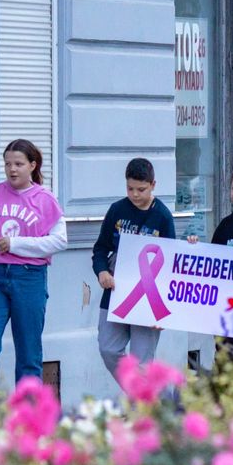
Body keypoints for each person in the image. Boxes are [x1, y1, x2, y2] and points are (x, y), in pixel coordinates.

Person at [0, 139, 66, 389]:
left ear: (32, 165)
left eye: (18, 164)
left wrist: (17, 244)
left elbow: (60, 241)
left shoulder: (44, 199)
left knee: (29, 354)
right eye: (7, 164)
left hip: (29, 278)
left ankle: (27, 418)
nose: (12, 169)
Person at [92, 157, 177, 381]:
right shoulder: (117, 210)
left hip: (149, 297)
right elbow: (100, 248)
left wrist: (164, 311)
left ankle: (146, 408)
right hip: (116, 290)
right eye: (130, 189)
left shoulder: (163, 216)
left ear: (153, 185)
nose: (135, 195)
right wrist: (102, 271)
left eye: (141, 189)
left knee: (141, 362)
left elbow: (170, 264)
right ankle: (151, 399)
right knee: (108, 348)